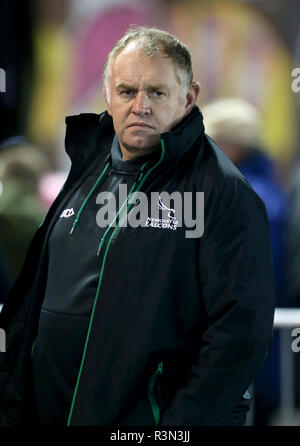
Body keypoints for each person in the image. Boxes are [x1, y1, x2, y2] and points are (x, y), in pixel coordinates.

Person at [0, 26, 275, 426]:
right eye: (127, 91)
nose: (140, 105)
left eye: (157, 92)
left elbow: (239, 337)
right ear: (108, 95)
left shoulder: (223, 192)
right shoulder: (89, 164)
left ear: (189, 97)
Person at [202, 97, 288, 425]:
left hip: (245, 358)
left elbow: (248, 282)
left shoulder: (245, 196)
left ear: (233, 146)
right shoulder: (267, 191)